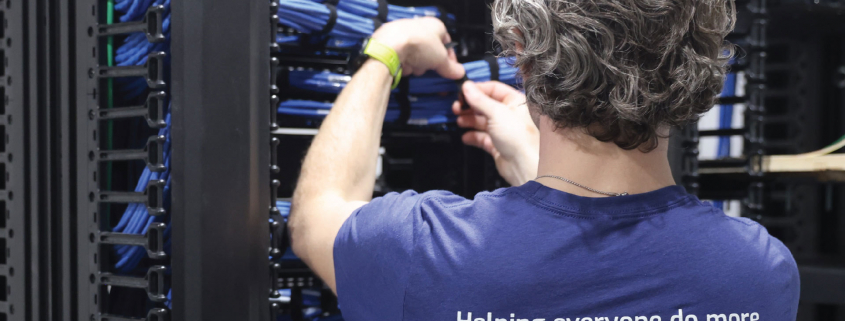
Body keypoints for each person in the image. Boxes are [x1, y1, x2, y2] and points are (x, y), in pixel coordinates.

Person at [289, 0, 799, 319]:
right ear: (697, 62)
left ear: (526, 60)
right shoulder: (761, 275)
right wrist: (540, 176)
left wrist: (388, 53)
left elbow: (315, 218)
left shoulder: (424, 250)